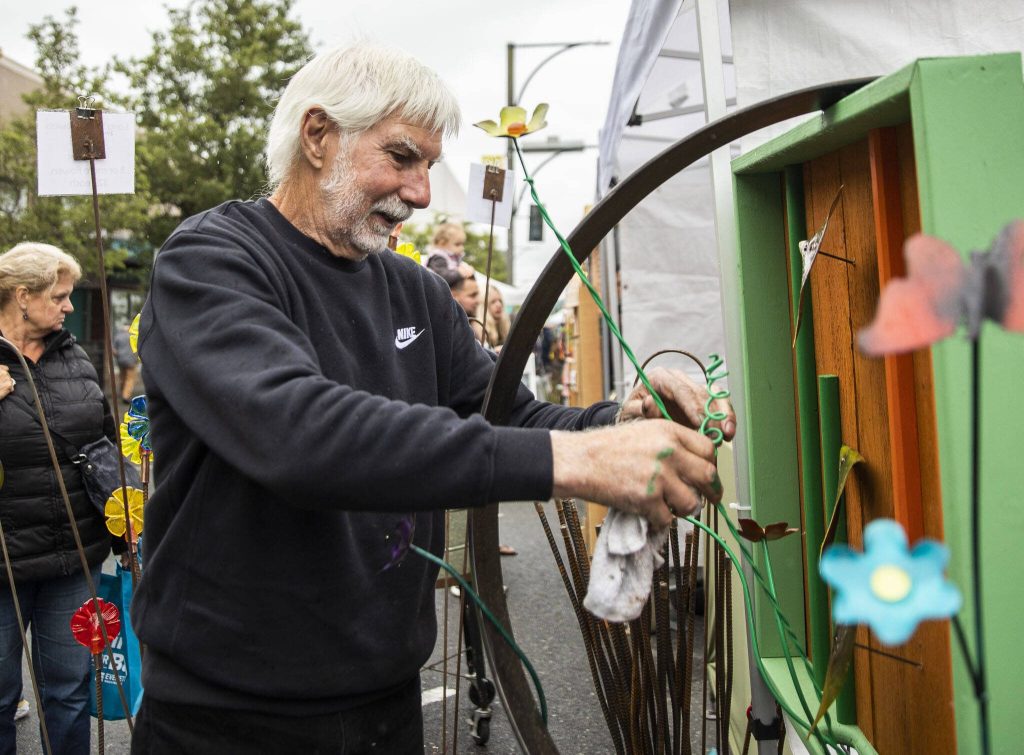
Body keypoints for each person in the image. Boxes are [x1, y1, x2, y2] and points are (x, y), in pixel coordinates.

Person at [130, 43, 734, 753]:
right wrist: (573, 458)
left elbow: (502, 409)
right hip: (228, 715)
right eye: (401, 157)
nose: (420, 192)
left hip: (386, 695)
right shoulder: (213, 262)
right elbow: (299, 434)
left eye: (428, 166)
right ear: (317, 136)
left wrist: (616, 421)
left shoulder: (412, 288)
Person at [0, 242, 114, 754]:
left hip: (71, 558)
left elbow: (103, 444)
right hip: (2, 563)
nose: (70, 307)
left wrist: (125, 515)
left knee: (68, 695)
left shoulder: (75, 357)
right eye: (61, 296)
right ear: (22, 296)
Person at [477, 285, 511, 350]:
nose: (499, 305)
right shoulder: (478, 328)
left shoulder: (505, 326)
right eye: (493, 302)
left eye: (500, 301)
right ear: (484, 305)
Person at [113, 323, 140, 402]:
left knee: (122, 377)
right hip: (131, 361)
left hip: (120, 360)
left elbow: (114, 350)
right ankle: (125, 396)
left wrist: (118, 356)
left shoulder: (118, 336)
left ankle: (122, 392)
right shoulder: (133, 336)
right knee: (130, 379)